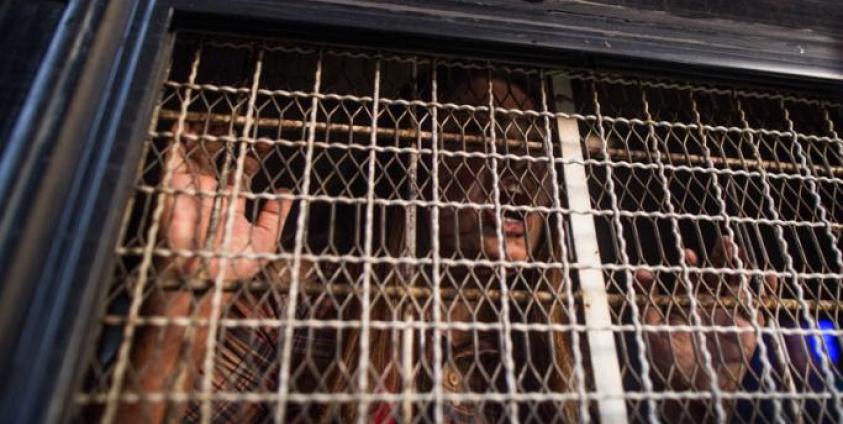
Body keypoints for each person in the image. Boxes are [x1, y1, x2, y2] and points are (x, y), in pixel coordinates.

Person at [119, 69, 777, 423]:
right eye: (480, 140)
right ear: (422, 162)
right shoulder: (305, 303)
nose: (514, 176)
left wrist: (710, 399)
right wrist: (186, 294)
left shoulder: (582, 353)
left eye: (533, 154)